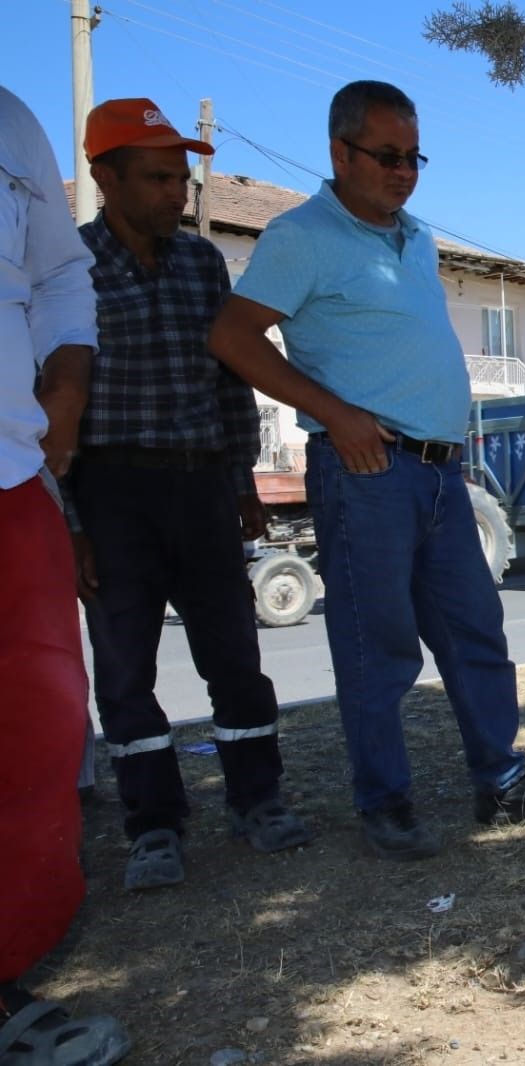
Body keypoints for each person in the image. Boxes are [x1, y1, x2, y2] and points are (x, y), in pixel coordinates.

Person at [209, 80, 525, 861]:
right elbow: (235, 339)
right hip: (366, 471)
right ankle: (386, 803)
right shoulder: (300, 235)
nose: (404, 171)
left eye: (414, 156)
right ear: (339, 152)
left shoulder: (415, 238)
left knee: (475, 632)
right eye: (386, 156)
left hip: (443, 474)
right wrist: (336, 414)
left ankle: (503, 781)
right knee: (378, 647)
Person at [68, 98, 312, 891]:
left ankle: (259, 799)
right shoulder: (70, 271)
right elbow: (56, 406)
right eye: (158, 177)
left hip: (204, 483)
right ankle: (154, 827)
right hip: (111, 490)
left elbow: (229, 379)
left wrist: (241, 475)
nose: (178, 193)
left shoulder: (203, 264)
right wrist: (74, 521)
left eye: (181, 177)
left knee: (235, 656)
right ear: (106, 177)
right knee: (126, 669)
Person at [0, 84, 131, 1065]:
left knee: (36, 738)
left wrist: (70, 380)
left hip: (8, 475)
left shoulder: (9, 120)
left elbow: (57, 275)